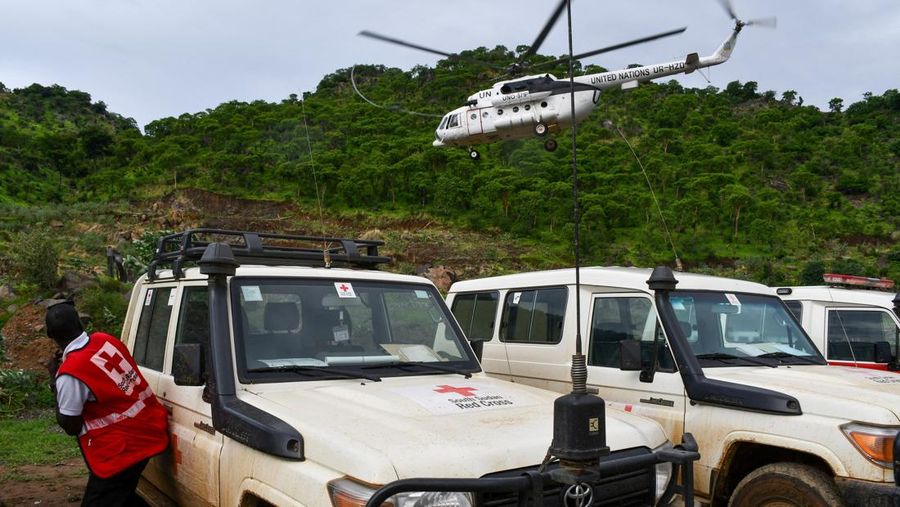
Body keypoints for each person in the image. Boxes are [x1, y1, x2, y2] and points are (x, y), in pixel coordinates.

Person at [46, 301, 169, 506]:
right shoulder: (105, 339)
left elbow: (70, 424)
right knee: (121, 497)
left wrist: (54, 381)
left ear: (49, 335)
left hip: (121, 450)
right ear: (80, 323)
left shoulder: (70, 373)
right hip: (149, 428)